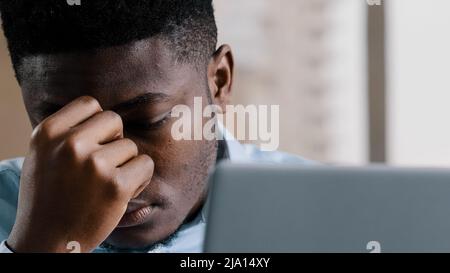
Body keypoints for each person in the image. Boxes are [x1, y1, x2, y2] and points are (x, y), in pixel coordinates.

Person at [0, 0, 310, 253]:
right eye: (69, 126)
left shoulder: (324, 216)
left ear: (219, 82)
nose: (106, 170)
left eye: (148, 121)